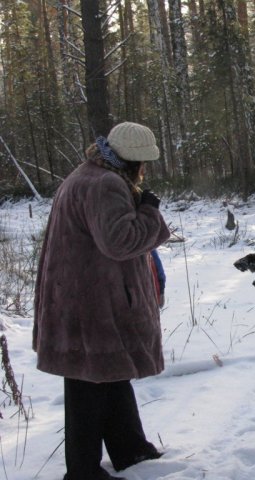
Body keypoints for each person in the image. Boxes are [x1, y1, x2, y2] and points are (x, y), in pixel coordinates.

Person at [33, 122, 171, 480]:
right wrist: (150, 212)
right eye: (143, 162)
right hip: (92, 303)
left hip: (80, 298)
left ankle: (130, 449)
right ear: (131, 160)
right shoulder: (105, 184)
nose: (145, 169)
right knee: (87, 388)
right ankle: (82, 471)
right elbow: (120, 241)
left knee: (108, 375)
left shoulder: (87, 175)